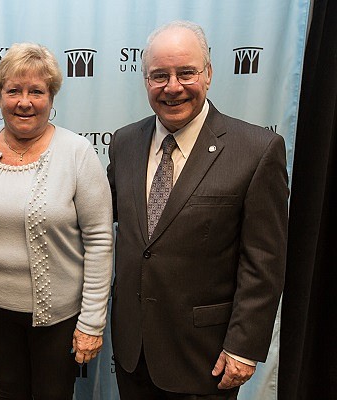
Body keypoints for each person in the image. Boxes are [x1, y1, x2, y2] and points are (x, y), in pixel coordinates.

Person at [107, 21, 289, 399]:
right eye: (159, 75)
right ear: (145, 81)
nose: (172, 87)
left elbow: (264, 260)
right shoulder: (124, 143)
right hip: (132, 351)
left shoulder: (257, 149)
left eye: (186, 72)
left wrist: (243, 345)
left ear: (208, 74)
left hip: (205, 358)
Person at [0, 42, 113, 400]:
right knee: (9, 394)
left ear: (51, 97)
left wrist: (91, 322)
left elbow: (101, 240)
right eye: (13, 90)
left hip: (57, 319)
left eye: (36, 91)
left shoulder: (77, 153)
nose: (24, 101)